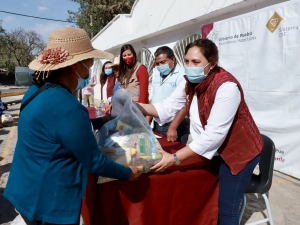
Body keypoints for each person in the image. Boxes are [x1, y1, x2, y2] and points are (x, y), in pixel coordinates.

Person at [4, 27, 141, 225]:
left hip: (25, 188)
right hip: (48, 202)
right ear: (76, 66)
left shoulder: (36, 90)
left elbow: (59, 129)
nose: (91, 66)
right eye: (90, 61)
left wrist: (102, 120)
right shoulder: (68, 107)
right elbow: (94, 162)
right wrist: (129, 173)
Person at [136, 39, 263, 225]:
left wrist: (174, 158)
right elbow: (167, 108)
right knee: (201, 190)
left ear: (212, 64)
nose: (189, 67)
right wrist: (136, 107)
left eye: (196, 62)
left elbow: (213, 136)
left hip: (238, 153)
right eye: (187, 61)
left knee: (227, 207)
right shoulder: (189, 82)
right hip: (215, 150)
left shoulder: (227, 87)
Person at [150, 46, 189, 144]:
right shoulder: (157, 77)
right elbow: (154, 98)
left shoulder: (182, 75)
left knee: (175, 155)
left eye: (163, 62)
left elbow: (186, 104)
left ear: (173, 59)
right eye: (157, 63)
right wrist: (148, 119)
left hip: (175, 124)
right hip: (158, 123)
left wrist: (173, 127)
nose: (160, 66)